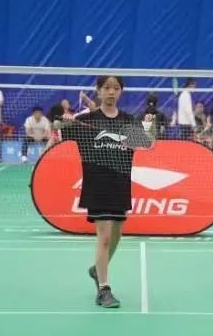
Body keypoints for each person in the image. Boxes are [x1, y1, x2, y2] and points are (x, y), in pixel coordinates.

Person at [59, 75, 152, 309]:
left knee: (117, 235)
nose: (111, 92)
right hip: (97, 185)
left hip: (120, 184)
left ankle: (96, 270)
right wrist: (64, 122)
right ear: (98, 91)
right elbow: (59, 129)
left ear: (120, 92)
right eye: (107, 88)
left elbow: (147, 143)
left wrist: (149, 127)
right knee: (105, 236)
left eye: (116, 88)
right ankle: (104, 289)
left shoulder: (129, 121)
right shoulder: (86, 120)